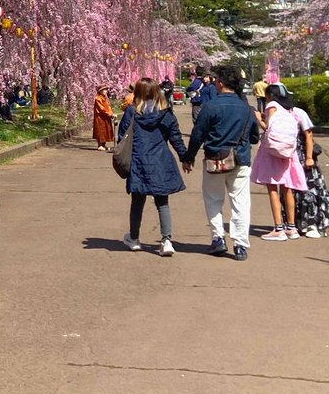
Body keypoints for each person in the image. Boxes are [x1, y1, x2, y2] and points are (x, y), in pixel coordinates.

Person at [181, 65, 260, 261]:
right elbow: (254, 138)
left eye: (217, 80)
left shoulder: (211, 106)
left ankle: (218, 238)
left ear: (221, 83)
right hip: (240, 159)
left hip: (215, 158)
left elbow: (198, 134)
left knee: (213, 199)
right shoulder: (247, 109)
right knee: (240, 202)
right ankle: (240, 244)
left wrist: (189, 157)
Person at [118, 77, 187, 256]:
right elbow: (175, 137)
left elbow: (122, 137)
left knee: (137, 201)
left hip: (138, 160)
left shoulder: (132, 112)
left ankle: (134, 239)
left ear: (138, 93)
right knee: (162, 202)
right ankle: (166, 241)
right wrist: (185, 157)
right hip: (160, 160)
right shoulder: (165, 113)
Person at [251, 83, 312, 241]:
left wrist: (258, 118)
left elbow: (267, 127)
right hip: (288, 152)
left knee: (273, 188)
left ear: (269, 95)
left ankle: (278, 228)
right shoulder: (289, 109)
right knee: (287, 188)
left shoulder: (271, 105)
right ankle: (291, 228)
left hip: (272, 152)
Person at [92, 84, 114, 151]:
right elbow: (102, 109)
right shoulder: (98, 98)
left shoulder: (105, 98)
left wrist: (111, 113)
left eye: (106, 90)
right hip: (100, 118)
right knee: (100, 131)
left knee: (106, 130)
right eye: (104, 90)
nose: (105, 91)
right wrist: (109, 114)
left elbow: (108, 107)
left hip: (106, 117)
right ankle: (100, 145)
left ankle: (103, 145)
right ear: (100, 91)